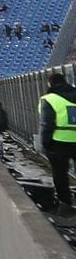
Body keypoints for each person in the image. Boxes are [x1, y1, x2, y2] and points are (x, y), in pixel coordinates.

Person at [39, 71, 76, 217]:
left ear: (50, 83)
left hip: (58, 142)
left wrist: (45, 143)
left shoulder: (49, 99)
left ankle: (65, 205)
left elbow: (46, 123)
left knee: (60, 174)